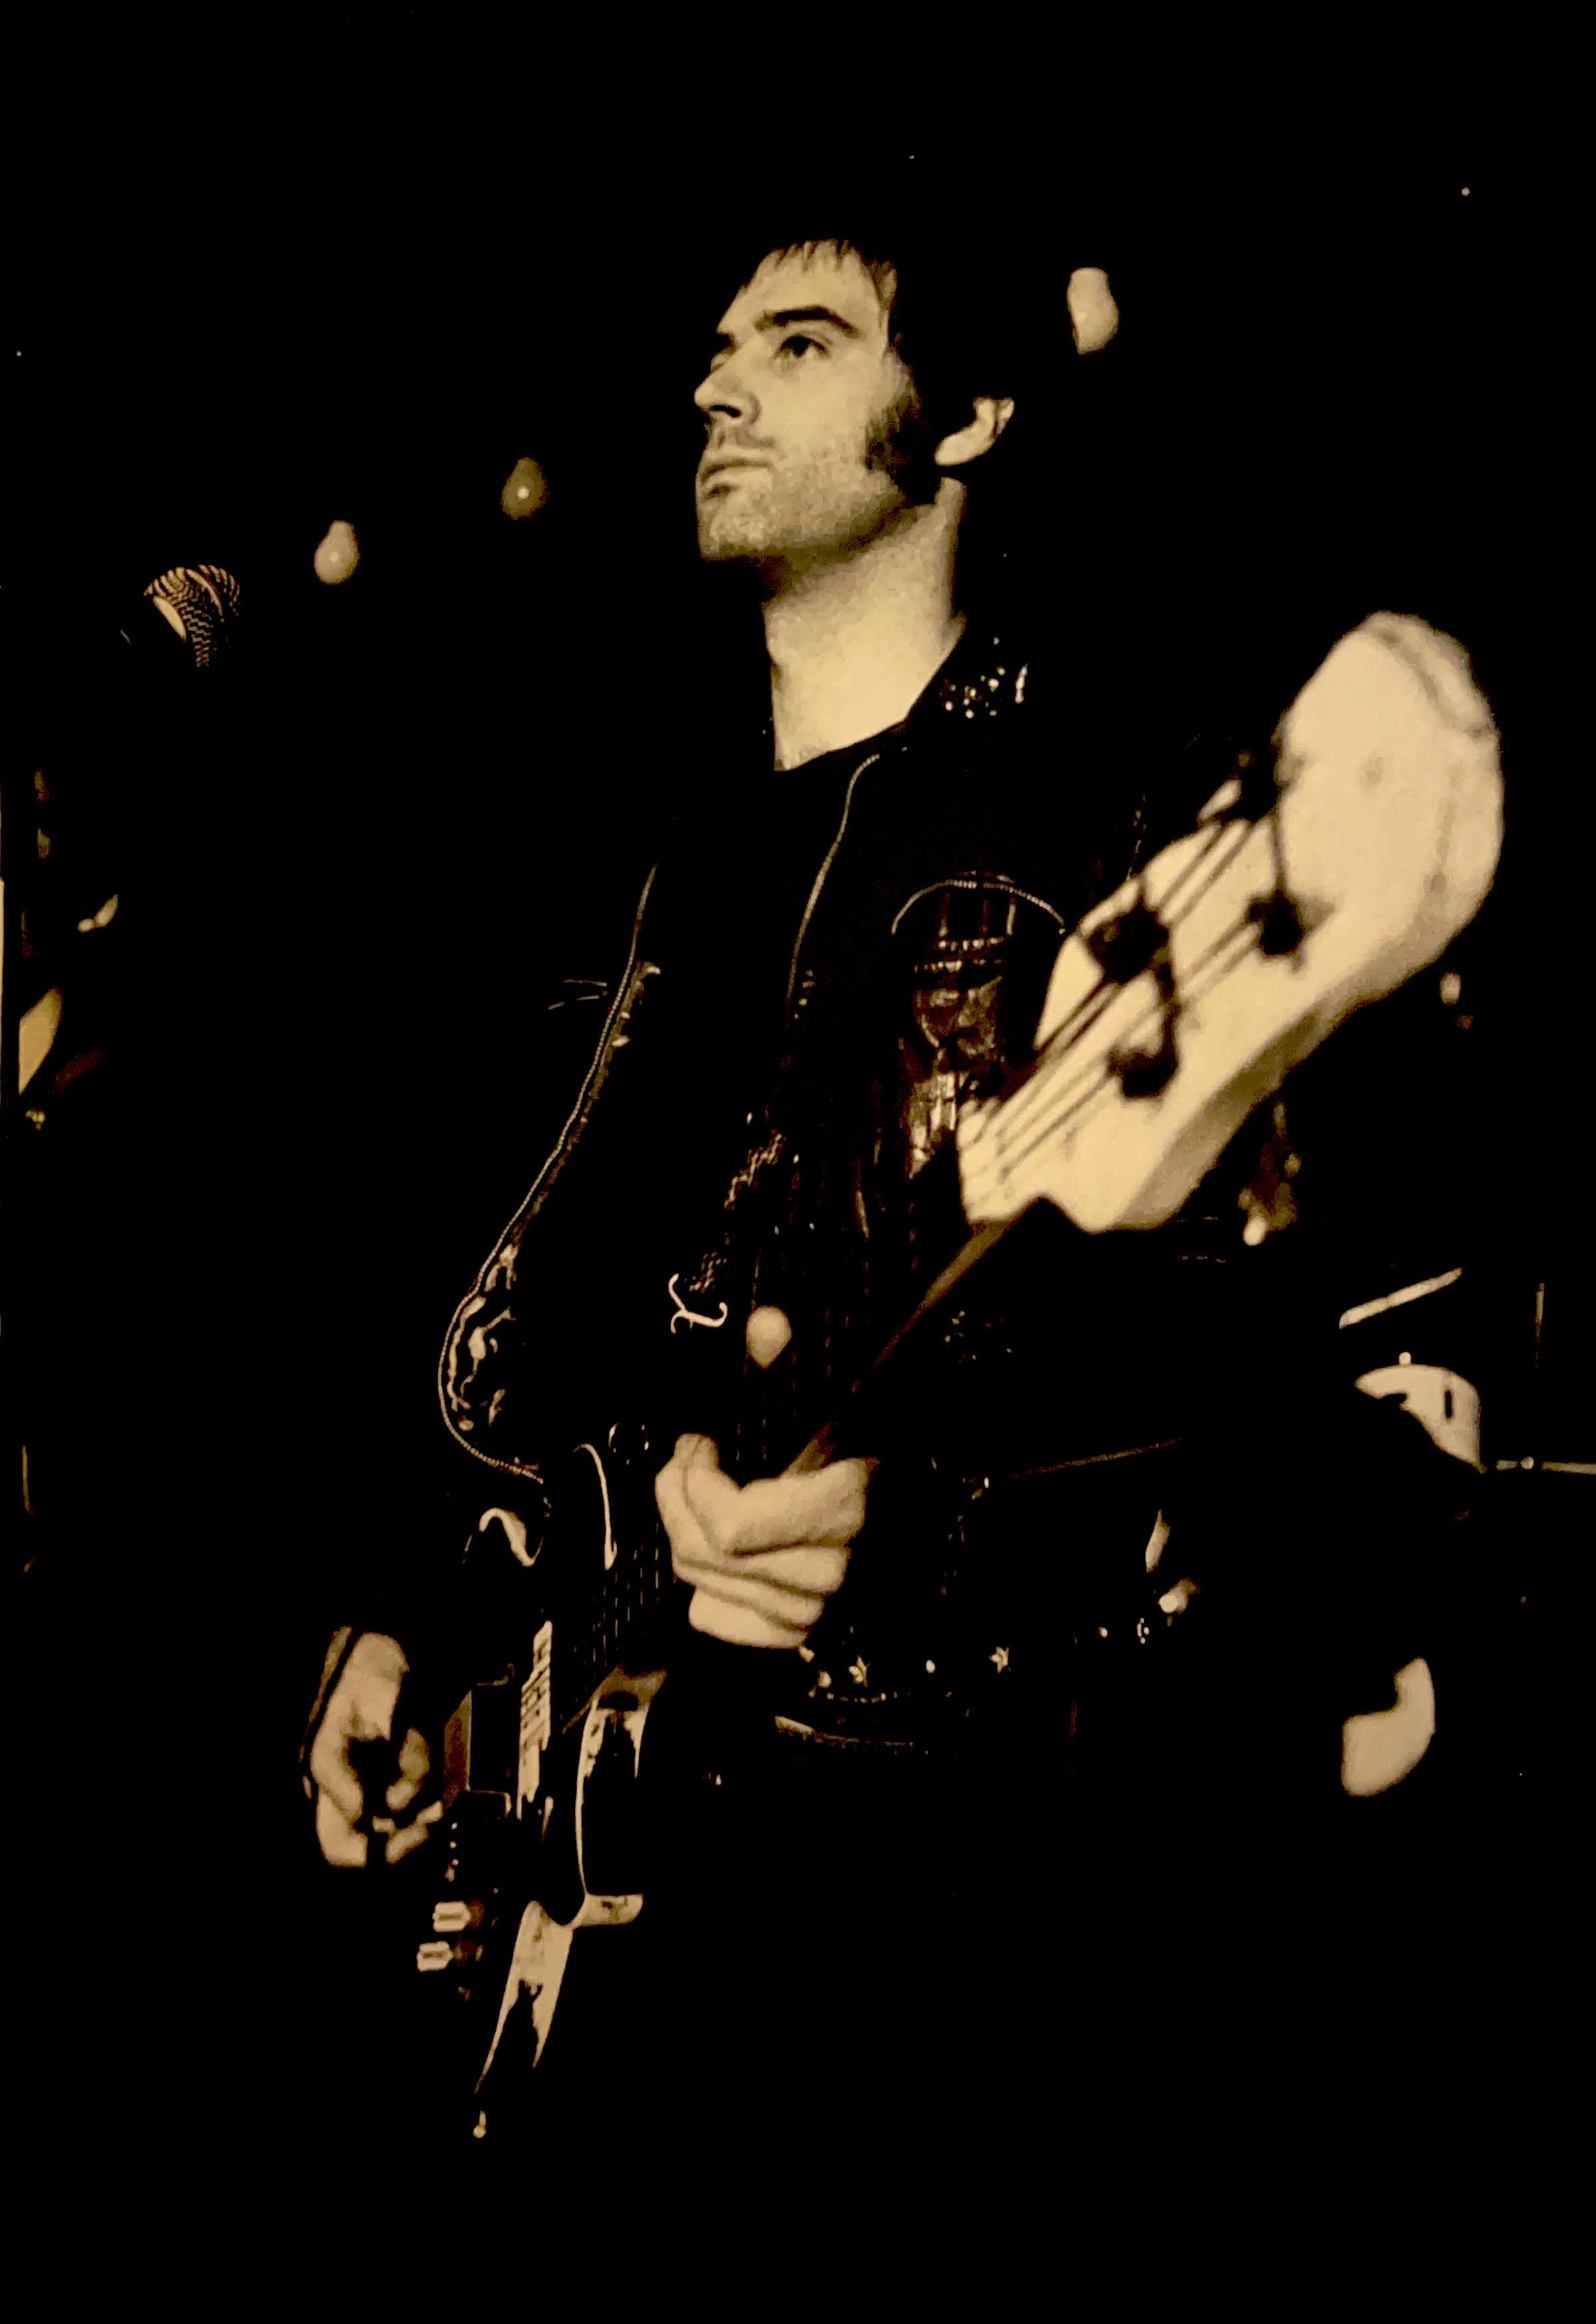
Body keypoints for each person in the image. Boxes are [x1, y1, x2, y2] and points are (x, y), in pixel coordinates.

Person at [301, 212, 1499, 2130]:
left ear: (972, 415)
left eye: (797, 343)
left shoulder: (1124, 823)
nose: (715, 388)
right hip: (636, 1927)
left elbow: (1346, 1371)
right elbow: (565, 1332)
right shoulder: (662, 864)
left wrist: (930, 1517)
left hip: (956, 1921)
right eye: (717, 349)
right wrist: (412, 1630)